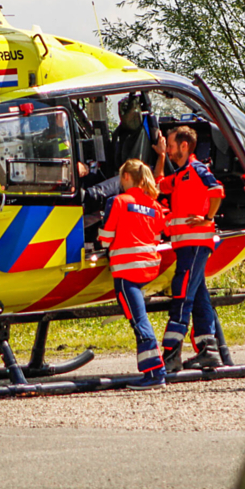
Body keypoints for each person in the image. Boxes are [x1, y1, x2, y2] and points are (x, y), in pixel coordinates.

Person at [152, 126, 225, 372]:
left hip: (195, 245)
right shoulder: (180, 174)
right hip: (185, 246)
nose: (171, 151)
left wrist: (208, 218)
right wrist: (161, 155)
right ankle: (208, 351)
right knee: (199, 297)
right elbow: (158, 185)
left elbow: (217, 191)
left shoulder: (197, 169)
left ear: (184, 146)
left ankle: (171, 353)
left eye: (171, 146)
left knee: (182, 295)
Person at [98, 159, 168, 390]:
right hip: (149, 269)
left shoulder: (119, 201)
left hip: (126, 271)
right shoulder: (154, 205)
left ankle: (155, 373)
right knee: (140, 318)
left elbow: (105, 238)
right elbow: (156, 238)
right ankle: (154, 371)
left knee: (139, 321)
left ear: (126, 177)